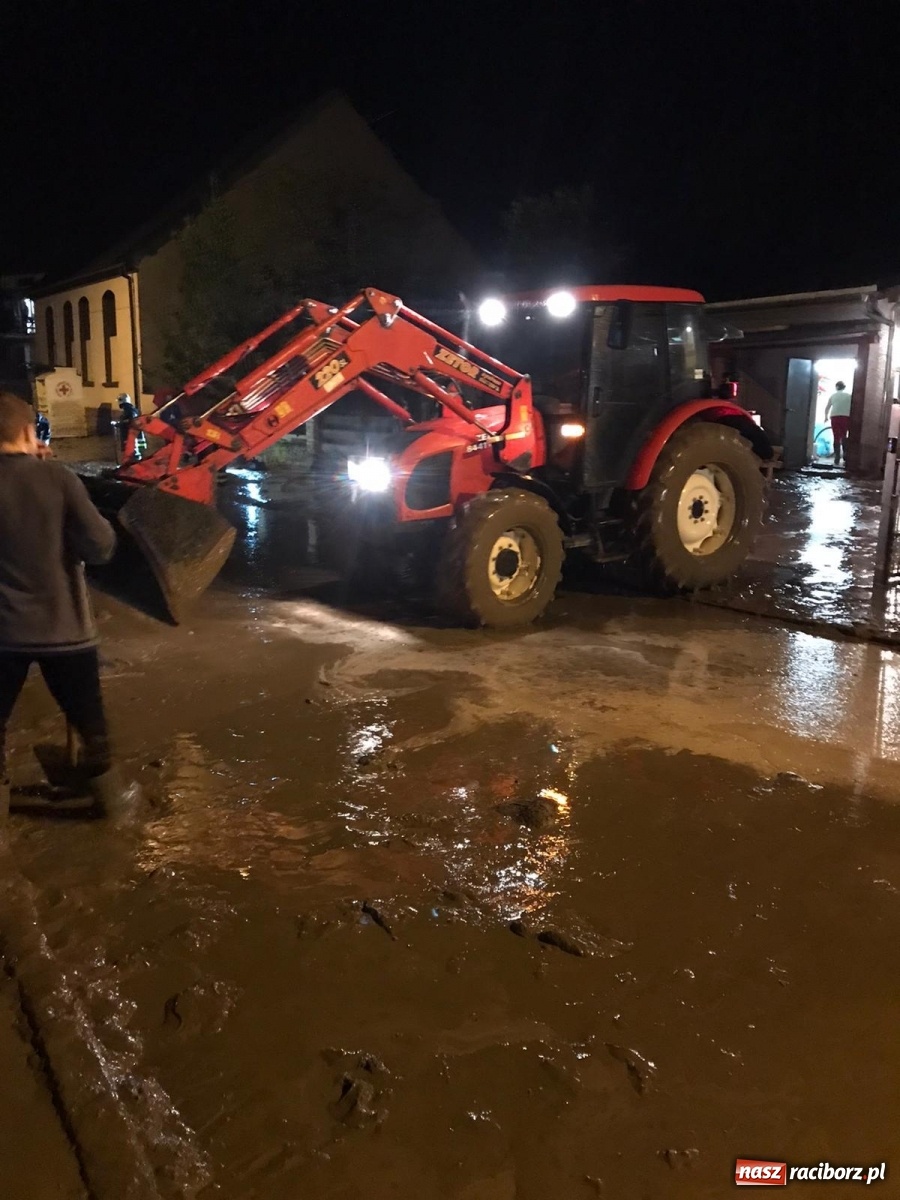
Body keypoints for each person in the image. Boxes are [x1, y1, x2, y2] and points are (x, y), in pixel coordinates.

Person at [0, 391, 124, 814]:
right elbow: (101, 546)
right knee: (90, 721)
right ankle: (111, 805)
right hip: (65, 632)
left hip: (3, 636)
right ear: (27, 432)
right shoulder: (58, 480)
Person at [824, 380, 852, 466]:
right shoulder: (849, 396)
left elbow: (827, 407)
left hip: (835, 416)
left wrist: (826, 417)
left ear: (836, 387)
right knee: (844, 435)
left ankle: (837, 457)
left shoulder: (833, 396)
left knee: (836, 436)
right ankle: (845, 456)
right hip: (846, 417)